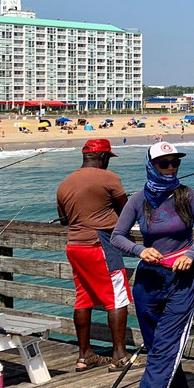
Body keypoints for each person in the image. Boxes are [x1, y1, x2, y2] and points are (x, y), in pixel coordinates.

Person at [110, 142, 194, 388]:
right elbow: (117, 236)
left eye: (175, 162)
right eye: (163, 163)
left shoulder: (188, 195)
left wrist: (190, 254)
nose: (170, 168)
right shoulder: (137, 199)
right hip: (148, 280)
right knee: (156, 343)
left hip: (183, 279)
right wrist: (139, 250)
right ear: (151, 166)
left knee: (166, 343)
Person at [55, 138, 131, 373]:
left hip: (75, 247)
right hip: (100, 243)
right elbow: (127, 211)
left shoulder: (65, 183)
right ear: (104, 157)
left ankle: (84, 355)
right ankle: (120, 356)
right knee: (116, 297)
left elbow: (64, 220)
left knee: (83, 298)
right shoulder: (108, 178)